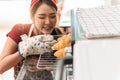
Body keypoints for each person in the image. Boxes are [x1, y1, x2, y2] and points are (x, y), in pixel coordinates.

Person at [0, 0, 64, 80]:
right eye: (41, 17)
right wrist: (23, 50)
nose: (48, 22)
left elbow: (64, 64)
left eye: (52, 16)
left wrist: (47, 66)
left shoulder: (58, 34)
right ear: (32, 17)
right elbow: (1, 67)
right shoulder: (20, 30)